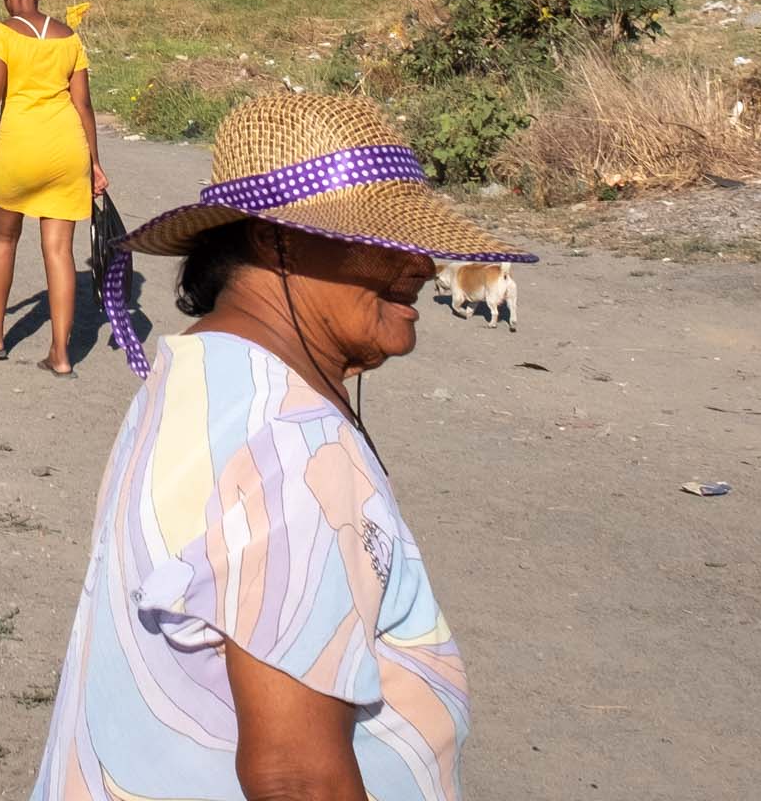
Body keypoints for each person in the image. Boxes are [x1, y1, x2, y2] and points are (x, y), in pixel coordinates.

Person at [33, 90, 535, 801]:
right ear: (280, 239)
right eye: (385, 236)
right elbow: (297, 776)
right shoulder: (294, 447)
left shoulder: (201, 371)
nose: (422, 265)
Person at [0, 0, 108, 373]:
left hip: (20, 150)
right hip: (67, 151)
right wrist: (95, 162)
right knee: (59, 251)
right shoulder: (70, 37)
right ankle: (60, 354)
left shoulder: (2, 34)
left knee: (3, 239)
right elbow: (84, 105)